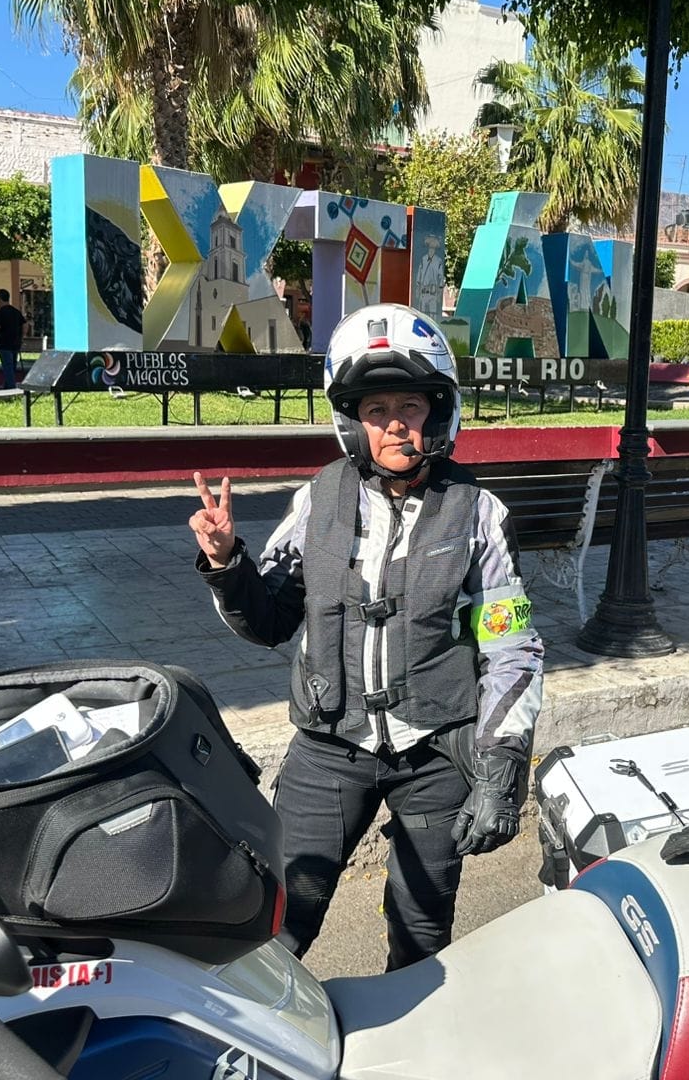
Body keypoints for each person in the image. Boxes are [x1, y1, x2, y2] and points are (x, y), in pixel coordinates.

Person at [189, 303, 544, 971]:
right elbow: (269, 621)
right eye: (376, 410)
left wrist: (501, 770)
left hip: (435, 750)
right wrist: (227, 561)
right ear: (352, 421)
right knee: (275, 919)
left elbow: (512, 648)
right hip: (329, 748)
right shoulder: (316, 501)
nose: (394, 424)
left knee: (421, 926)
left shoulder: (479, 514)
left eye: (409, 406)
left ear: (439, 411)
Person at [0, 289, 25, 388]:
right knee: (12, 366)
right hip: (15, 343)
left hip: (4, 343)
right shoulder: (16, 312)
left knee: (7, 366)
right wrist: (22, 336)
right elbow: (25, 324)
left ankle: (11, 386)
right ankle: (7, 386)